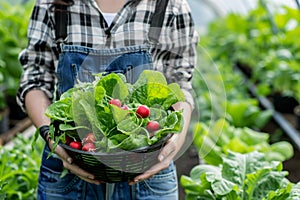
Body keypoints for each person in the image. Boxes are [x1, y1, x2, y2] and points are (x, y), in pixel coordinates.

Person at [17, 0, 198, 199]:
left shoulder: (170, 5)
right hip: (68, 173)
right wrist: (52, 139)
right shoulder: (52, 4)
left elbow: (180, 83)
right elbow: (36, 79)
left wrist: (175, 142)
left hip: (148, 175)